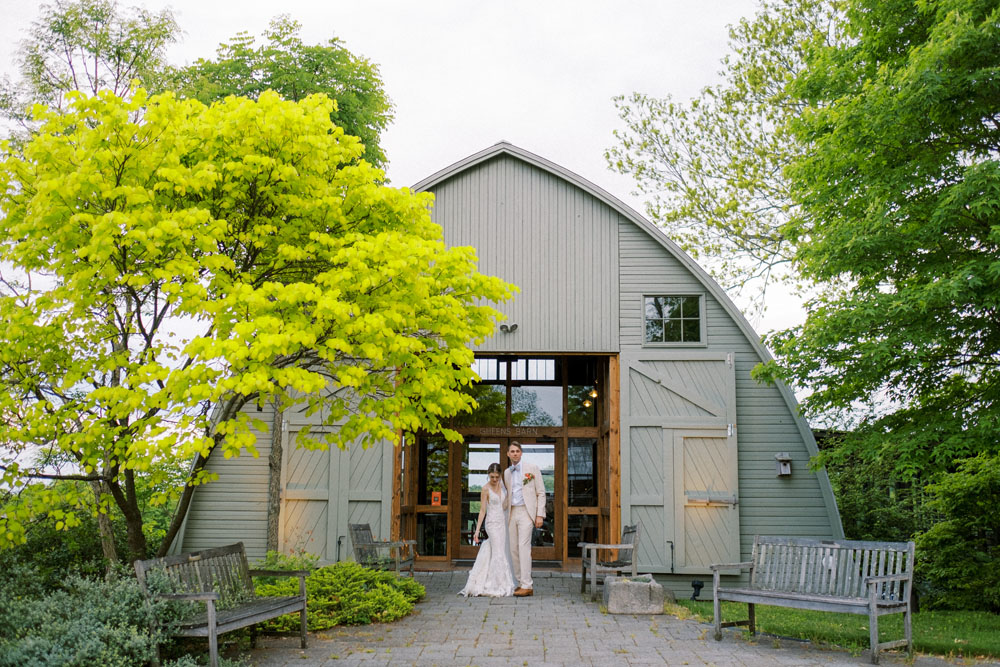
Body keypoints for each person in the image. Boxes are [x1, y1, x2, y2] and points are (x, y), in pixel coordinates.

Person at [459, 463, 516, 597]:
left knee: (500, 551)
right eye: (492, 477)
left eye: (497, 477)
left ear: (500, 476)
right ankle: (495, 585)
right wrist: (477, 531)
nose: (495, 480)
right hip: (491, 523)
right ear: (488, 475)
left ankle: (501, 582)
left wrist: (510, 495)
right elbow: (482, 511)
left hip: (502, 523)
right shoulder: (485, 489)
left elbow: (505, 506)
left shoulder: (502, 487)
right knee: (498, 552)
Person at [503, 441, 546, 597]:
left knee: (523, 547)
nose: (515, 453)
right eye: (512, 451)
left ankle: (528, 585)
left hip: (527, 512)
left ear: (521, 453)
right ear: (508, 454)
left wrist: (539, 514)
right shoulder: (507, 473)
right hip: (512, 512)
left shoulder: (532, 468)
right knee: (513, 548)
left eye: (517, 451)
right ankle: (520, 582)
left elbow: (541, 492)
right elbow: (507, 494)